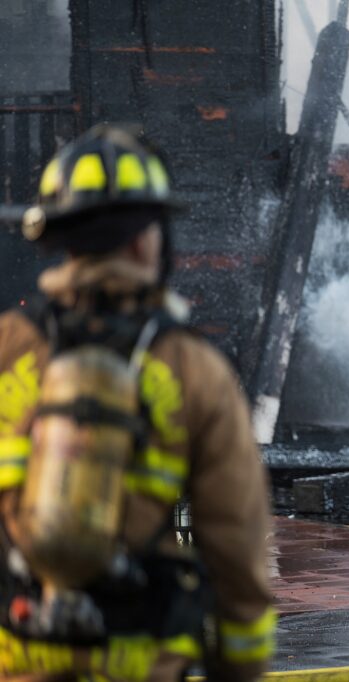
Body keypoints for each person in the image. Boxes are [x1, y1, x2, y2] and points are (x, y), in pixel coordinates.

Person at [0, 126, 275, 680]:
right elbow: (236, 549)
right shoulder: (194, 369)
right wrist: (240, 668)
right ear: (146, 239)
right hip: (142, 659)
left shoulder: (8, 347)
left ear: (60, 238)